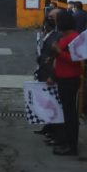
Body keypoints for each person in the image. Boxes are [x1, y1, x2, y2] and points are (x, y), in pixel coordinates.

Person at [46, 11, 82, 156]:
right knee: (65, 112)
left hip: (70, 80)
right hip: (62, 78)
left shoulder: (75, 38)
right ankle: (64, 141)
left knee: (70, 113)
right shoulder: (65, 36)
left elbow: (76, 59)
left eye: (58, 21)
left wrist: (59, 52)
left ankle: (71, 146)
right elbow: (60, 54)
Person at [33, 8, 62, 138]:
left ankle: (54, 131)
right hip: (44, 72)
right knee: (46, 102)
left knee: (52, 103)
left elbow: (56, 58)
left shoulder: (56, 37)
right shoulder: (46, 36)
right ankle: (48, 127)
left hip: (49, 74)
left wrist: (52, 75)